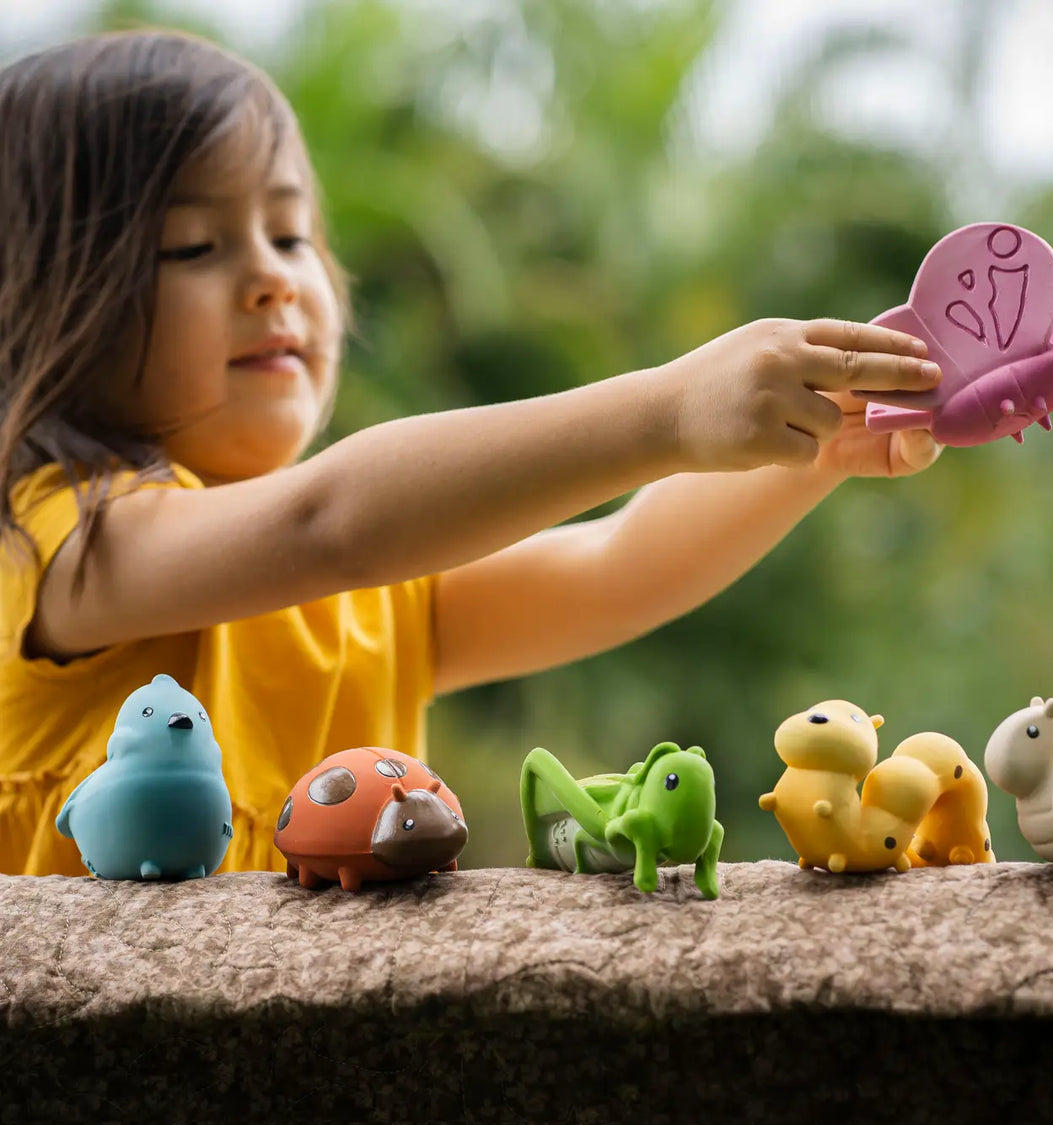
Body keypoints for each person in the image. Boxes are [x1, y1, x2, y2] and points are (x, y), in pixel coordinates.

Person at [0, 30, 943, 876]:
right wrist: (664, 410)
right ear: (48, 297)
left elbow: (619, 563)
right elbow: (327, 523)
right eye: (194, 246)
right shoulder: (64, 546)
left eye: (290, 234)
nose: (273, 279)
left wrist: (818, 448)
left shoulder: (370, 603)